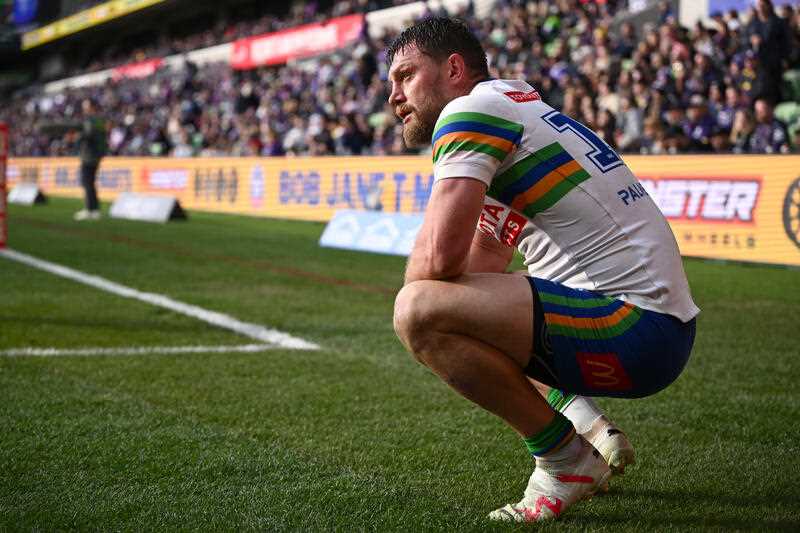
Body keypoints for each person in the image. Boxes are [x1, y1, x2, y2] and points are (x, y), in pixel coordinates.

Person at [388, 18, 699, 522]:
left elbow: (436, 264)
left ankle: (565, 460)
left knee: (417, 310)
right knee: (460, 312)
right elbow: (486, 259)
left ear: (453, 69)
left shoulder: (470, 111)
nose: (394, 97)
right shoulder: (516, 109)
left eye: (405, 76)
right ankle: (587, 426)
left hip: (635, 328)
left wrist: (428, 294)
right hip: (659, 330)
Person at [39, 99, 108, 220]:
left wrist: (75, 137)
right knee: (90, 183)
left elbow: (87, 135)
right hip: (96, 154)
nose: (84, 109)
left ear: (91, 107)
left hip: (89, 155)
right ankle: (94, 209)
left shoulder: (91, 120)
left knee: (87, 183)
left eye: (86, 107)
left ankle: (90, 209)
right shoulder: (99, 121)